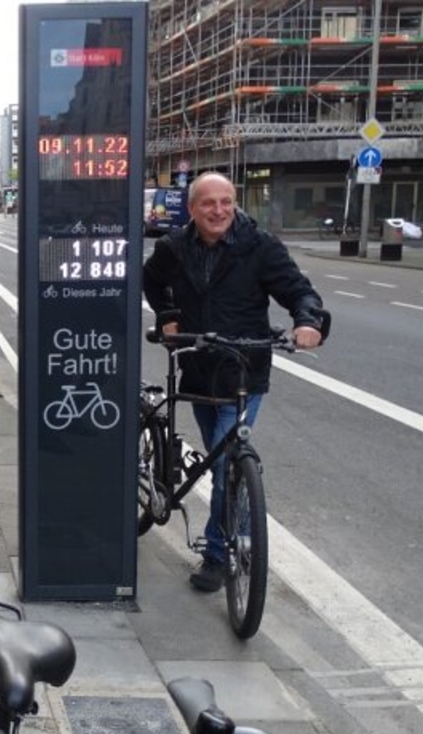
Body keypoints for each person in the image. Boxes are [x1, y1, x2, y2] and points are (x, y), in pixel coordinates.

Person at [143, 171, 326, 592]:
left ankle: (217, 554)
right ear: (192, 209)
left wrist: (308, 321)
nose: (219, 210)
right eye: (208, 203)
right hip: (197, 367)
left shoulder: (259, 246)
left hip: (245, 369)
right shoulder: (174, 247)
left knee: (227, 462)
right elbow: (151, 280)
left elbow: (298, 290)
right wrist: (168, 316)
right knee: (218, 458)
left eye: (226, 201)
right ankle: (235, 531)